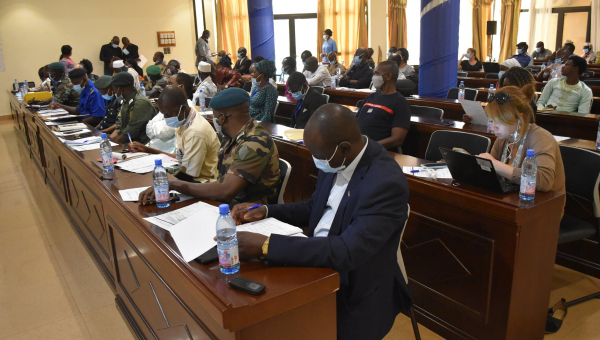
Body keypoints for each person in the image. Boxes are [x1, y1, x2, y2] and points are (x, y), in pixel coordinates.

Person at [230, 104, 412, 340]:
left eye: (317, 154)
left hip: (356, 287)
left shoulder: (385, 182)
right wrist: (265, 211)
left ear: (344, 148)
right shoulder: (337, 156)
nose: (315, 159)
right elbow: (313, 207)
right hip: (318, 258)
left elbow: (348, 250)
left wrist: (267, 245)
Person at [138, 88, 281, 205]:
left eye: (215, 117)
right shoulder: (232, 137)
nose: (214, 121)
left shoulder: (254, 142)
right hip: (230, 203)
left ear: (222, 118)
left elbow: (226, 191)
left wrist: (174, 185)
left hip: (250, 210)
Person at [478, 85, 565, 201]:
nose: (493, 127)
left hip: (542, 206)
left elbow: (544, 181)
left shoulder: (541, 137)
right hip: (512, 200)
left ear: (520, 119)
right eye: (491, 120)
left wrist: (496, 165)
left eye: (499, 121)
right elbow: (490, 175)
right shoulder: (503, 137)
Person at [129, 86, 220, 183]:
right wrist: (148, 150)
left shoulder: (196, 132)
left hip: (202, 183)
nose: (165, 118)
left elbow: (187, 175)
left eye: (168, 114)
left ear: (183, 108)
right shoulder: (184, 120)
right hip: (189, 177)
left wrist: (160, 182)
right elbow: (180, 158)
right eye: (163, 114)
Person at [356, 61, 410, 151]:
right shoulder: (371, 97)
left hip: (379, 152)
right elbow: (355, 123)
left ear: (388, 76)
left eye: (377, 74)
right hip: (359, 148)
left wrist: (368, 147)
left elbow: (397, 139)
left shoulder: (400, 102)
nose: (374, 77)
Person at [463, 66, 538, 123]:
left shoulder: (529, 106)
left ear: (520, 86)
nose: (504, 89)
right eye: (503, 86)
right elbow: (490, 120)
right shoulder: (501, 99)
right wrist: (473, 119)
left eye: (509, 87)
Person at [110, 72, 157, 144]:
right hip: (129, 142)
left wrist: (112, 145)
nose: (113, 91)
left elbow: (131, 131)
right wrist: (109, 141)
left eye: (114, 88)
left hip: (142, 145)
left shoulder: (140, 103)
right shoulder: (127, 100)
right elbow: (120, 127)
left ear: (121, 89)